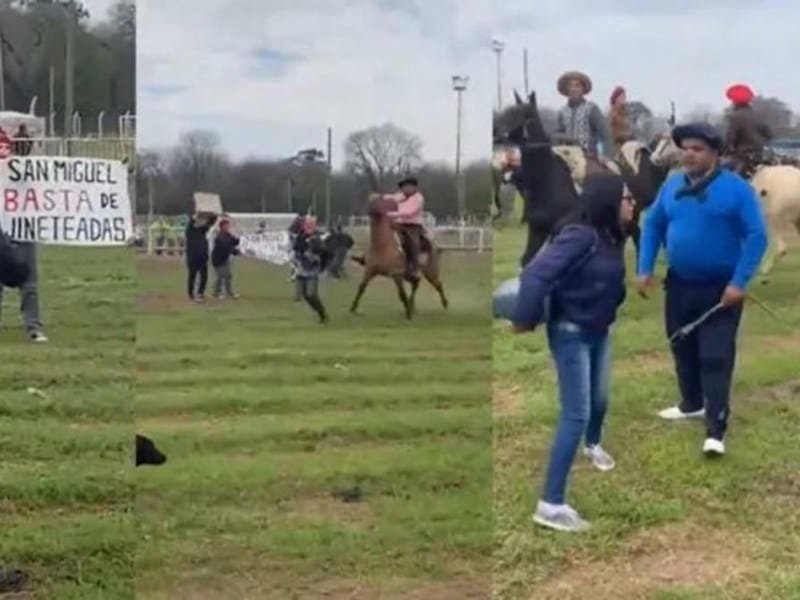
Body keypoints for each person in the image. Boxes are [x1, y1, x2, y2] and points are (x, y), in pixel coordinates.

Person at [637, 122, 768, 457]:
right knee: (681, 344)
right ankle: (691, 403)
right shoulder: (671, 186)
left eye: (697, 149)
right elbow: (652, 224)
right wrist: (644, 268)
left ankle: (716, 428)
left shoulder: (736, 189)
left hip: (721, 289)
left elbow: (757, 236)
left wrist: (739, 283)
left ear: (714, 154)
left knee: (715, 355)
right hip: (680, 284)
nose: (689, 154)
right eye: (685, 148)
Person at [513, 173, 635, 532]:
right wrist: (525, 318)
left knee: (600, 399)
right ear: (609, 202)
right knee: (576, 414)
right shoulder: (580, 236)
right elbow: (535, 276)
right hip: (572, 334)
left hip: (599, 330)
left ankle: (593, 446)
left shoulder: (612, 236)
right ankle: (550, 505)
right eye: (626, 198)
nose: (633, 203)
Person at [554, 70, 613, 159]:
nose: (574, 89)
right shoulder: (562, 112)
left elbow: (605, 133)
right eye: (570, 85)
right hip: (567, 156)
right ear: (567, 89)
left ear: (582, 89)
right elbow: (558, 134)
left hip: (588, 156)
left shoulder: (591, 108)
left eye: (577, 85)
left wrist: (607, 156)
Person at [378, 176, 428, 275]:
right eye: (403, 187)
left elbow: (409, 212)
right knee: (382, 233)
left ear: (413, 187)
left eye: (407, 186)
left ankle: (414, 267)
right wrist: (380, 197)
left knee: (413, 243)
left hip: (412, 226)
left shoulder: (418, 198)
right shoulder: (401, 195)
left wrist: (389, 214)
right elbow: (391, 197)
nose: (404, 189)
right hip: (399, 223)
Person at [723, 84, 772, 177]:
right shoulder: (758, 115)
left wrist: (723, 152)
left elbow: (730, 140)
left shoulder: (735, 117)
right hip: (759, 156)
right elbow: (769, 135)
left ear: (734, 102)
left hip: (742, 157)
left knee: (721, 174)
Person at [293, 216, 329, 323]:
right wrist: (301, 255)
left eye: (311, 224)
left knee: (311, 294)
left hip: (313, 270)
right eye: (307, 224)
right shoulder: (300, 237)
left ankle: (322, 313)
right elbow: (296, 249)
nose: (309, 226)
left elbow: (325, 253)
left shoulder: (318, 237)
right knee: (305, 295)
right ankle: (318, 311)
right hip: (301, 268)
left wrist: (320, 263)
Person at [184, 212, 217, 302]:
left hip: (202, 256)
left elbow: (210, 223)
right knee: (192, 276)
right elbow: (191, 223)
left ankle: (200, 293)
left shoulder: (202, 231)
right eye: (198, 221)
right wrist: (196, 215)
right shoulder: (190, 231)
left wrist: (214, 214)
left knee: (204, 275)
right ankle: (191, 294)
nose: (200, 222)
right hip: (193, 257)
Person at [211, 217, 241, 299]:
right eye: (226, 226)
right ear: (222, 227)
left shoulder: (228, 235)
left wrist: (240, 238)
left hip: (225, 259)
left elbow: (235, 242)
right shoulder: (219, 236)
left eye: (228, 225)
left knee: (228, 275)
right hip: (218, 259)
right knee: (221, 276)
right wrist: (236, 252)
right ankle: (216, 293)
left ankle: (229, 292)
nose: (228, 227)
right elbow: (226, 247)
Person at [608, 86, 633, 155]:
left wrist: (630, 136)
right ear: (615, 98)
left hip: (627, 146)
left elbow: (629, 128)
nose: (623, 98)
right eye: (621, 96)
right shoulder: (612, 113)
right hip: (616, 147)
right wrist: (623, 136)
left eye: (624, 96)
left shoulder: (626, 113)